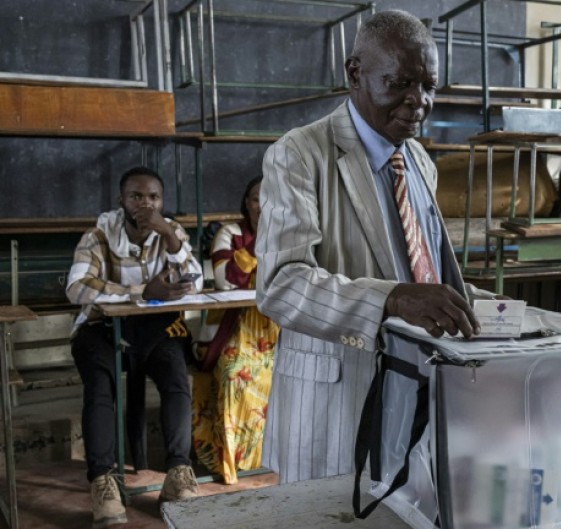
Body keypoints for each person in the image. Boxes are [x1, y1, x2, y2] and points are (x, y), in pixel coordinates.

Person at [256, 9, 498, 484]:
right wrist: (391, 297)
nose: (418, 102)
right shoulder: (299, 154)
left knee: (409, 501)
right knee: (334, 512)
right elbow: (281, 285)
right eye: (401, 83)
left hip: (418, 388)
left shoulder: (419, 161)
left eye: (429, 86)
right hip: (337, 400)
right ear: (355, 74)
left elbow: (421, 269)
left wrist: (481, 304)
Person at [66, 166, 203, 528]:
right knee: (100, 387)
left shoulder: (169, 231)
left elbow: (197, 282)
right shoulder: (99, 234)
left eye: (154, 197)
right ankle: (104, 481)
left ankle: (178, 473)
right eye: (136, 196)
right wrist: (141, 292)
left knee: (176, 379)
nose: (145, 204)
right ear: (121, 201)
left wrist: (172, 241)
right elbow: (77, 287)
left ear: (162, 201)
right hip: (100, 327)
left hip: (154, 329)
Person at [191, 176, 279, 484]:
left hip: (276, 330)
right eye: (257, 198)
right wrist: (264, 237)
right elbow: (226, 281)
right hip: (233, 327)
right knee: (235, 374)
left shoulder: (292, 234)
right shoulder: (230, 234)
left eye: (271, 197)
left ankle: (274, 458)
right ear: (246, 203)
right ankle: (233, 461)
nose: (263, 204)